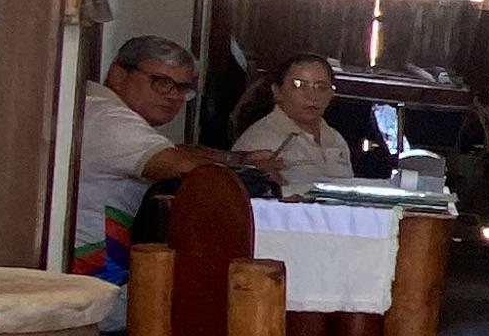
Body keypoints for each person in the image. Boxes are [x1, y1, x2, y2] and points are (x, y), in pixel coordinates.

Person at [69, 34, 213, 307]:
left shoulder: (95, 107)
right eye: (161, 82)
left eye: (182, 88)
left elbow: (177, 150)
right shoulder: (113, 120)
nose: (173, 95)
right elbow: (187, 170)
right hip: (95, 285)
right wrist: (251, 179)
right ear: (118, 75)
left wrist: (234, 157)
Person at [232, 51, 357, 191]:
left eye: (321, 87)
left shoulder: (336, 139)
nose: (312, 96)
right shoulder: (259, 141)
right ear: (277, 91)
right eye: (298, 85)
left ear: (331, 94)